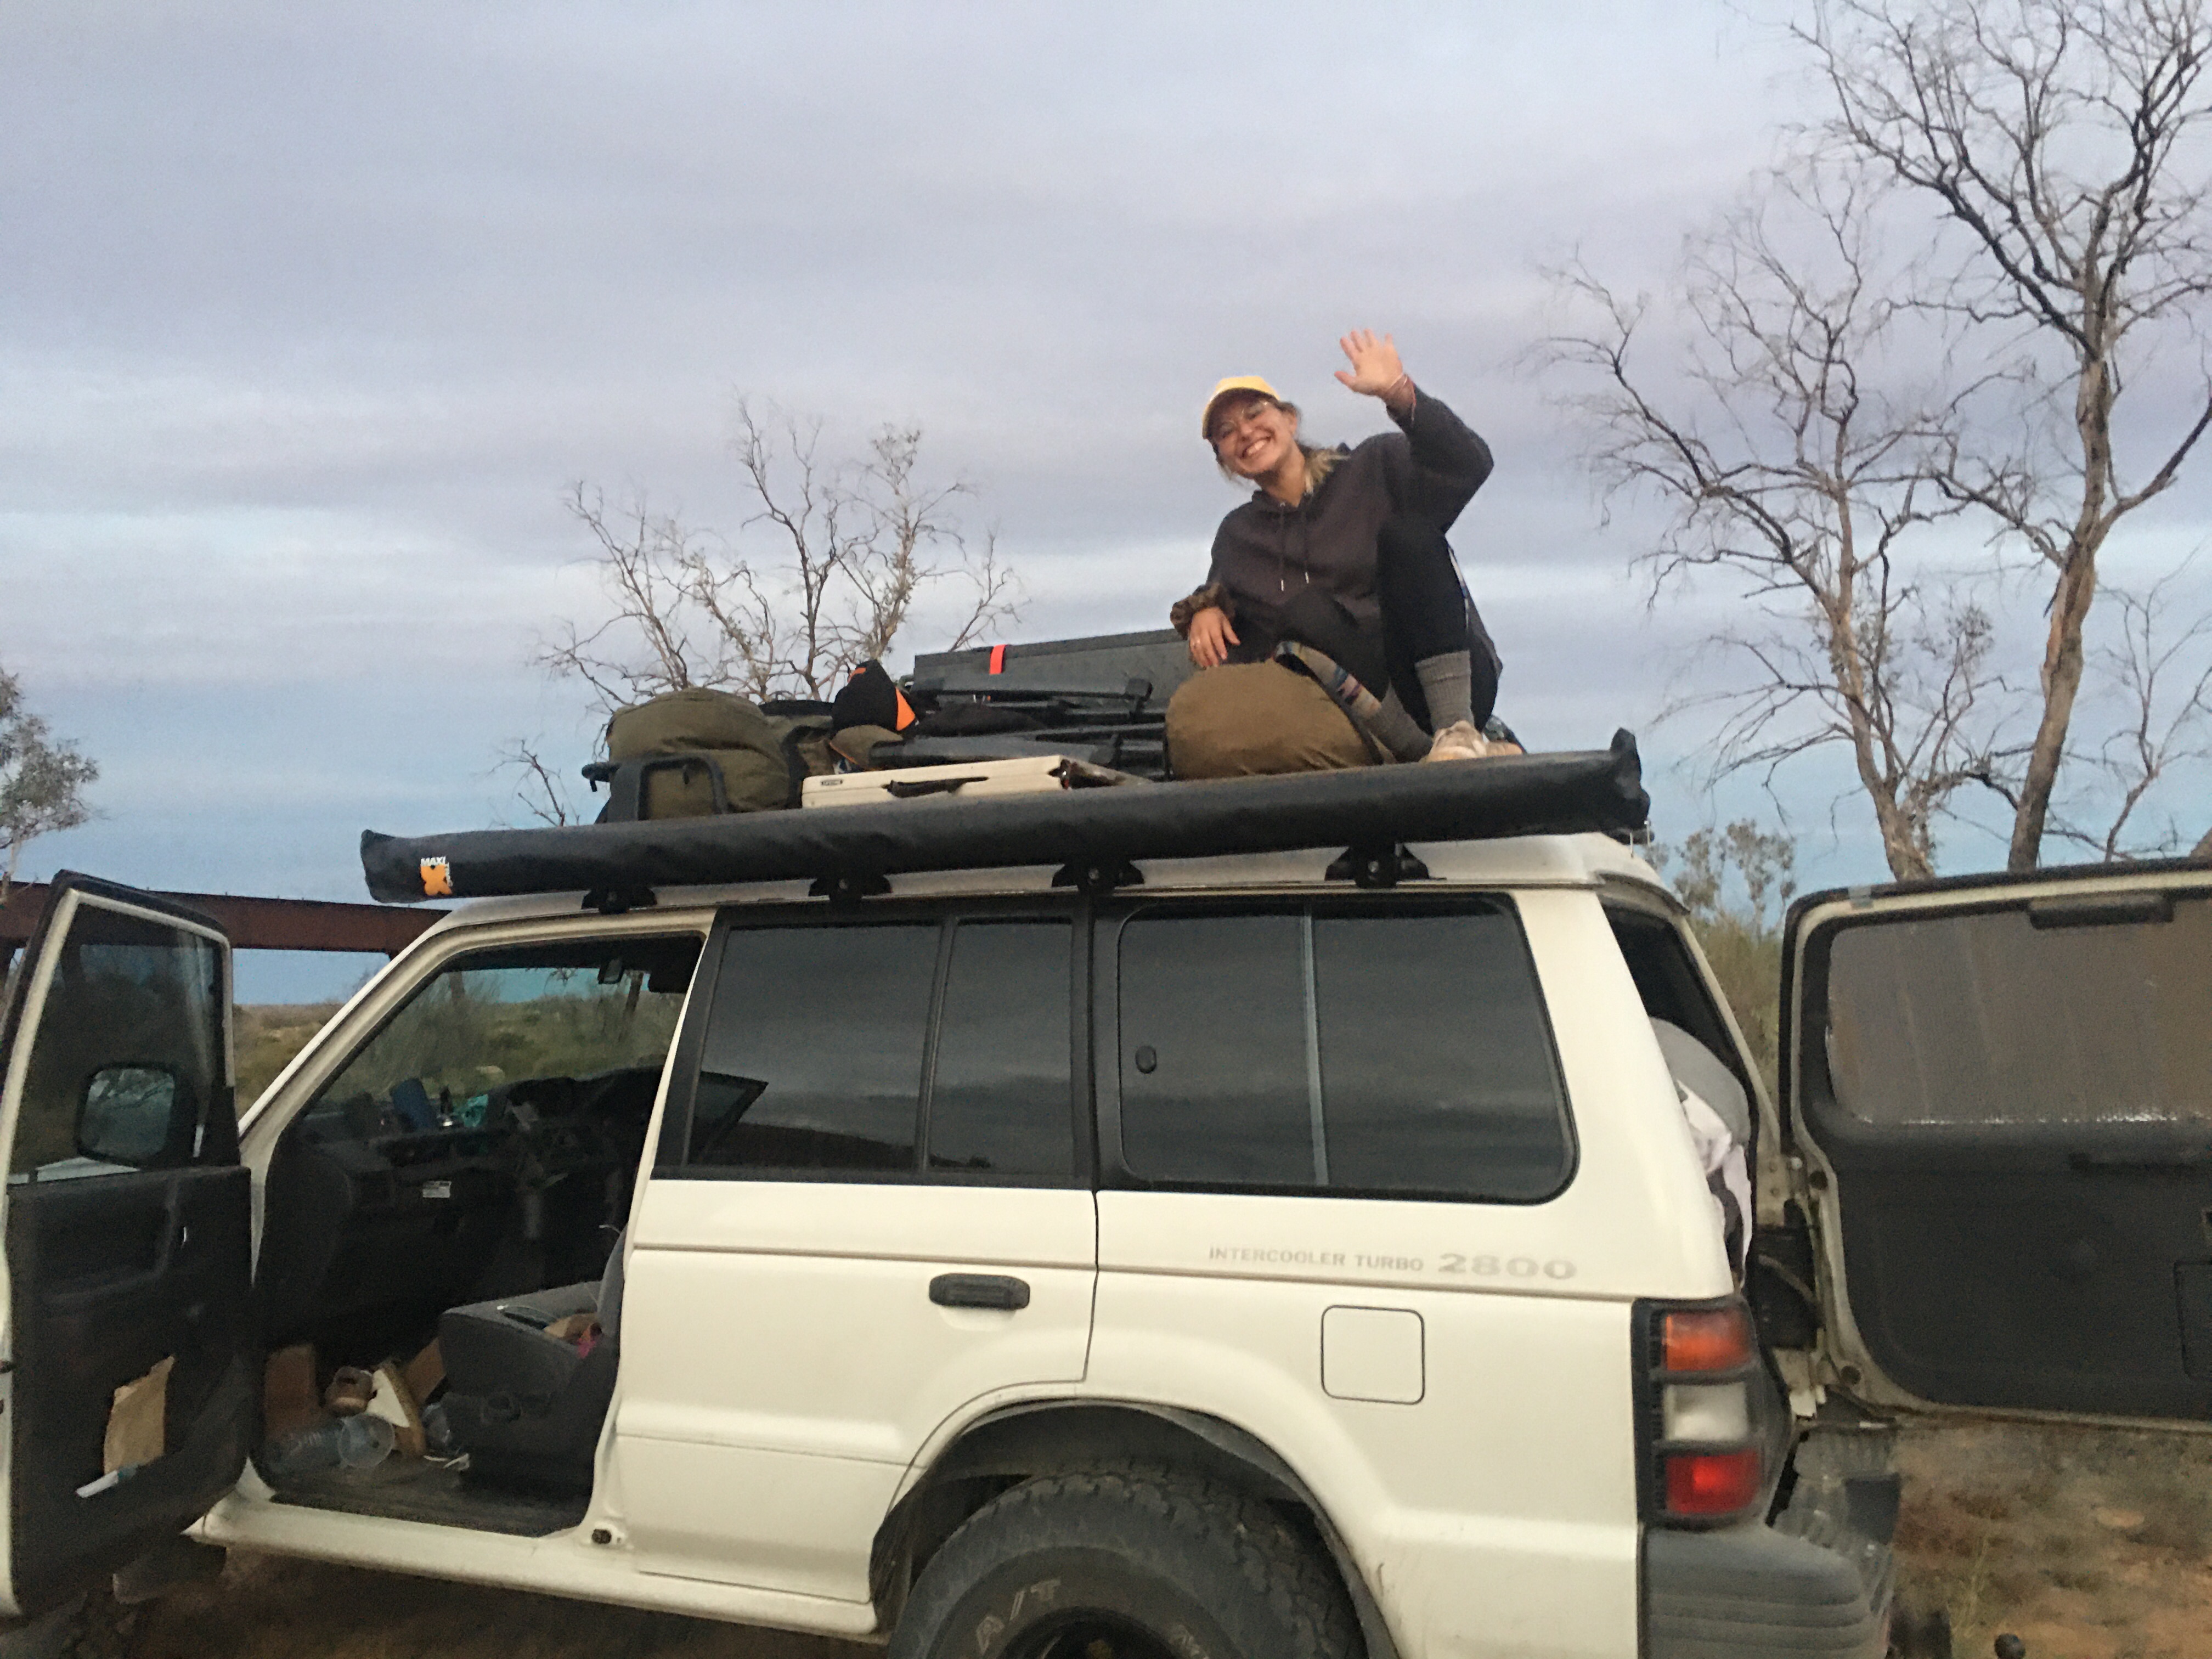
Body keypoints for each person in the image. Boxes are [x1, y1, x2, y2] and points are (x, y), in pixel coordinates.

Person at [1171, 329, 1505, 763]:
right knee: (1306, 611)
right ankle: (1428, 751)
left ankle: (1461, 734)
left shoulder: (1377, 464)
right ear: (1225, 460)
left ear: (1290, 420)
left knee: (1408, 536)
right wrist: (1204, 610)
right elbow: (1235, 630)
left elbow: (1469, 465)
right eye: (1226, 431)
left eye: (1255, 413)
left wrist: (1400, 394)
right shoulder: (1238, 538)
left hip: (1456, 678)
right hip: (1367, 710)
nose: (1246, 432)